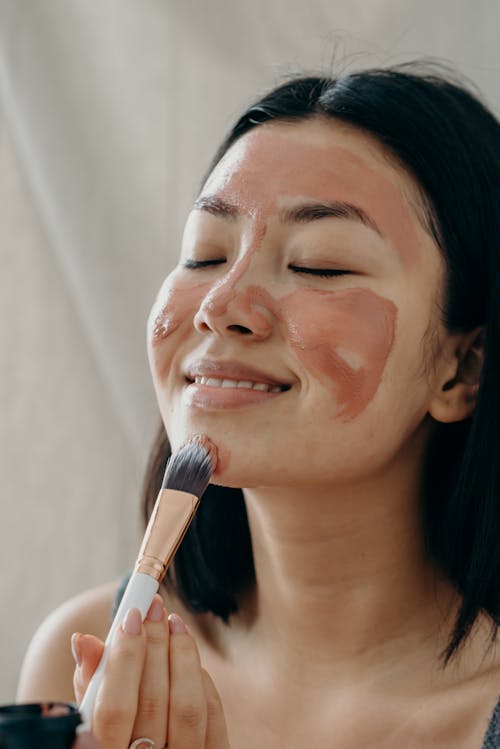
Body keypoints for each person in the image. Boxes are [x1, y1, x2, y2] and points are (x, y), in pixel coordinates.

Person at [17, 62, 500, 748]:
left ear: (463, 369)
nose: (219, 306)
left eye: (320, 263)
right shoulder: (77, 660)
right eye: (204, 254)